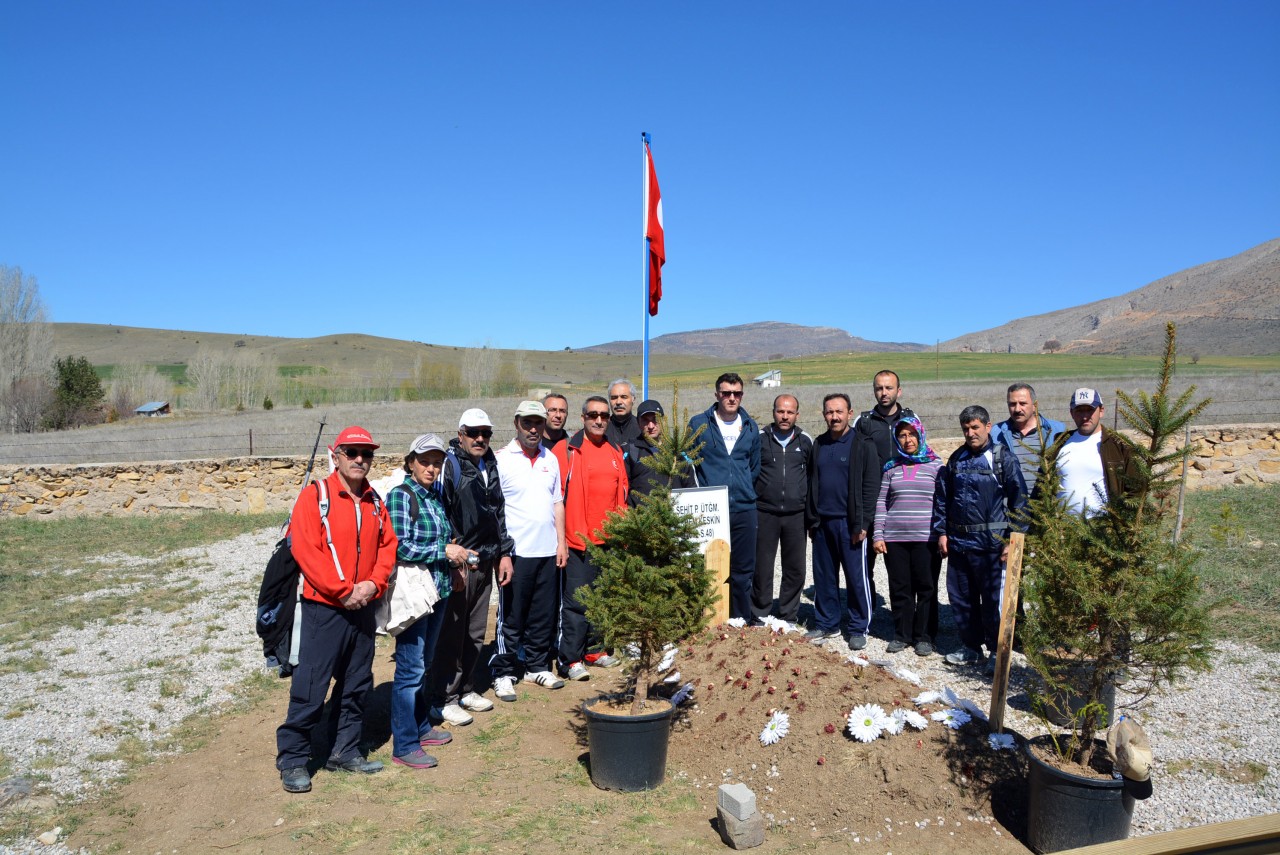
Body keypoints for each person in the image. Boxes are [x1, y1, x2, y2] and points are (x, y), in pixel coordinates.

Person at [276, 426, 396, 794]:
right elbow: (306, 552)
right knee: (310, 685)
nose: (360, 459)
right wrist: (343, 591)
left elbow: (387, 546)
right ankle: (293, 759)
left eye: (367, 454)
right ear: (337, 455)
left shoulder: (375, 500)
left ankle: (344, 751)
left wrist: (373, 585)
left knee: (357, 683)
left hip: (362, 607)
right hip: (324, 609)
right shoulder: (316, 497)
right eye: (352, 453)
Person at [385, 433, 474, 769]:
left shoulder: (433, 497)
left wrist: (455, 559)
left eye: (437, 462)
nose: (432, 467)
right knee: (409, 670)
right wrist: (443, 551)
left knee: (423, 664)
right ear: (411, 462)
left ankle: (421, 728)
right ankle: (404, 744)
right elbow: (399, 546)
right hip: (413, 596)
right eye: (425, 461)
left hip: (435, 592)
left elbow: (440, 541)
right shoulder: (401, 496)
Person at [431, 409, 515, 726]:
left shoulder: (489, 463)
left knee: (475, 631)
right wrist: (453, 561)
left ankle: (465, 689)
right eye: (474, 432)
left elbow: (498, 512)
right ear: (461, 433)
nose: (480, 438)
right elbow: (442, 514)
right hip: (462, 563)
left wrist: (504, 552)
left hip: (487, 558)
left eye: (486, 433)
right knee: (452, 632)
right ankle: (442, 698)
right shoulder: (450, 466)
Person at [932, 405, 1028, 673]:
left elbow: (1020, 501)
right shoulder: (956, 460)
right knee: (962, 599)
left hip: (991, 547)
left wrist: (1013, 540)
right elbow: (942, 498)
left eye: (975, 427)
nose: (970, 433)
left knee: (993, 603)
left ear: (988, 427)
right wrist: (941, 532)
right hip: (960, 546)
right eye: (966, 428)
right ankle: (971, 648)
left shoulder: (1002, 459)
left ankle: (998, 652)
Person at [491, 401, 568, 701]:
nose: (534, 429)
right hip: (516, 554)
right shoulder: (502, 459)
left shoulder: (551, 458)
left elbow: (557, 502)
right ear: (516, 424)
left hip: (547, 551)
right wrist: (503, 553)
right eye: (528, 423)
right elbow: (495, 510)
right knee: (511, 617)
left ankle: (536, 665)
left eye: (538, 422)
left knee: (542, 615)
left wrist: (560, 542)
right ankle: (504, 672)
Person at [553, 395, 629, 681]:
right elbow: (555, 495)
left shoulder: (613, 451)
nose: (599, 420)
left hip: (608, 540)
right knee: (576, 602)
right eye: (593, 415)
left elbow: (621, 493)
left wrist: (621, 534)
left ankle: (595, 650)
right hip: (578, 541)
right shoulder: (568, 449)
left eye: (604, 416)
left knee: (602, 598)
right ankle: (569, 659)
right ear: (582, 418)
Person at [805, 393, 879, 649]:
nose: (834, 417)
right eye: (829, 412)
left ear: (850, 413)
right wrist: (812, 519)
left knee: (856, 578)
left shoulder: (862, 444)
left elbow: (871, 486)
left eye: (839, 411)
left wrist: (864, 523)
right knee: (824, 576)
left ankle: (859, 627)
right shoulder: (819, 444)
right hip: (823, 523)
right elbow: (813, 482)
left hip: (851, 525)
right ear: (823, 414)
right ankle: (827, 623)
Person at [688, 372, 761, 622]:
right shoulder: (699, 424)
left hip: (743, 507)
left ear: (742, 395)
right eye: (726, 393)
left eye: (737, 393)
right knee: (710, 567)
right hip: (712, 508)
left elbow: (754, 466)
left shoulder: (751, 426)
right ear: (716, 394)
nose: (731, 398)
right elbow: (691, 462)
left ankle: (741, 619)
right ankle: (708, 619)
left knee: (743, 568)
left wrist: (742, 488)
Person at [871, 416, 944, 657]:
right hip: (895, 538)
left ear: (921, 435)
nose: (908, 439)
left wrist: (944, 533)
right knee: (900, 587)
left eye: (912, 434)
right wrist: (878, 534)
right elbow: (882, 501)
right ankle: (902, 634)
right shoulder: (891, 467)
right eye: (902, 435)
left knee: (926, 587)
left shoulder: (936, 465)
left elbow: (943, 502)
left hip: (927, 538)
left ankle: (924, 636)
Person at [854, 370, 918, 597]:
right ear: (874, 391)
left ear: (898, 391)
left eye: (889, 388)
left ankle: (902, 616)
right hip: (871, 502)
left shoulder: (911, 419)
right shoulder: (863, 422)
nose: (884, 393)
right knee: (864, 564)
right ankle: (866, 613)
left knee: (901, 566)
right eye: (879, 388)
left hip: (902, 503)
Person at [754, 394, 812, 623]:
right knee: (762, 567)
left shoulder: (805, 441)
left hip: (796, 515)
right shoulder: (759, 439)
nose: (785, 416)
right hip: (765, 512)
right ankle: (759, 613)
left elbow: (812, 475)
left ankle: (788, 615)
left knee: (795, 568)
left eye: (790, 412)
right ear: (773, 412)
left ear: (797, 414)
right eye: (780, 411)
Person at [1043, 388, 1139, 516]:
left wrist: (1123, 524)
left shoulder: (1118, 446)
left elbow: (1136, 490)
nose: (1085, 416)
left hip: (1104, 530)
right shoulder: (1060, 443)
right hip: (1063, 530)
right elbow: (1043, 486)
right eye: (1079, 411)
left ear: (1101, 411)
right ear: (1071, 413)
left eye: (1090, 410)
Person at [991, 383, 1066, 494]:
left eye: (1022, 403)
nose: (1017, 409)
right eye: (1012, 404)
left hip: (1046, 505)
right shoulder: (996, 433)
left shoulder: (1056, 430)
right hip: (1011, 507)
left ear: (1035, 405)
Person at [626, 398, 694, 504]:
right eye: (645, 421)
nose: (651, 426)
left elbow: (691, 487)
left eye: (655, 420)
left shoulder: (677, 450)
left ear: (663, 421)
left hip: (674, 516)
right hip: (642, 518)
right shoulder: (630, 451)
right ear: (638, 423)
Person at [605, 379, 642, 457]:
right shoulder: (602, 429)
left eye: (624, 397)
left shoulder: (642, 428)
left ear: (633, 399)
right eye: (614, 397)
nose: (618, 402)